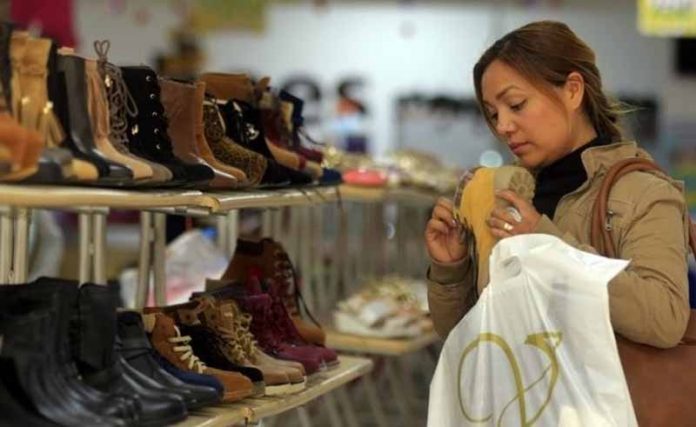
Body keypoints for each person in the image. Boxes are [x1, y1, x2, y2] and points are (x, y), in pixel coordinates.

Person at [425, 20, 691, 349]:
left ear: (573, 90)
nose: (503, 126)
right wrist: (451, 269)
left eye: (516, 105)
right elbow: (470, 341)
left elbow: (665, 319)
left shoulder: (642, 193)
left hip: (610, 384)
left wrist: (550, 248)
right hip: (516, 384)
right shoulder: (506, 192)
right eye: (493, 114)